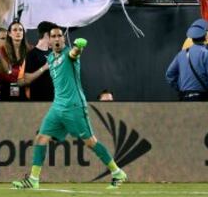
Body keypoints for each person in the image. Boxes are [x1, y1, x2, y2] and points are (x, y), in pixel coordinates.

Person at [12, 25, 127, 189]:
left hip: (74, 107)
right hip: (57, 107)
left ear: (63, 39)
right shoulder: (50, 58)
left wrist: (79, 47)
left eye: (60, 35)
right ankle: (33, 180)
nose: (57, 38)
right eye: (54, 36)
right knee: (41, 138)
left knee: (90, 142)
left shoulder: (68, 54)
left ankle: (117, 172)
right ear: (49, 40)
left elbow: (74, 54)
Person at [166, 19, 208, 101]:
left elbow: (169, 75)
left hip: (183, 99)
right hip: (201, 100)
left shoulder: (181, 54)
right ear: (206, 36)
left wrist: (182, 88)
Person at [22, 21, 54, 101]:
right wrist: (44, 68)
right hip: (38, 102)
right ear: (47, 35)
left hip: (53, 101)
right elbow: (27, 79)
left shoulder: (52, 53)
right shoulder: (32, 54)